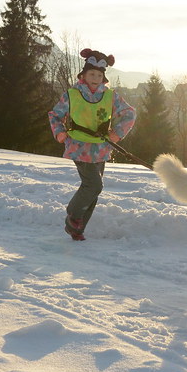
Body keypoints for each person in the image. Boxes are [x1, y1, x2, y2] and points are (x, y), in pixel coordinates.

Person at [49, 48, 136, 241]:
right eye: (91, 74)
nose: (95, 78)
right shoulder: (72, 94)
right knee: (94, 185)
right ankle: (73, 214)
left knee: (93, 191)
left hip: (101, 148)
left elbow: (130, 113)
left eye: (99, 75)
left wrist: (117, 133)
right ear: (83, 75)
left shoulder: (110, 95)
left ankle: (77, 229)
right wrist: (60, 133)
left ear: (103, 77)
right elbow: (55, 115)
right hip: (79, 146)